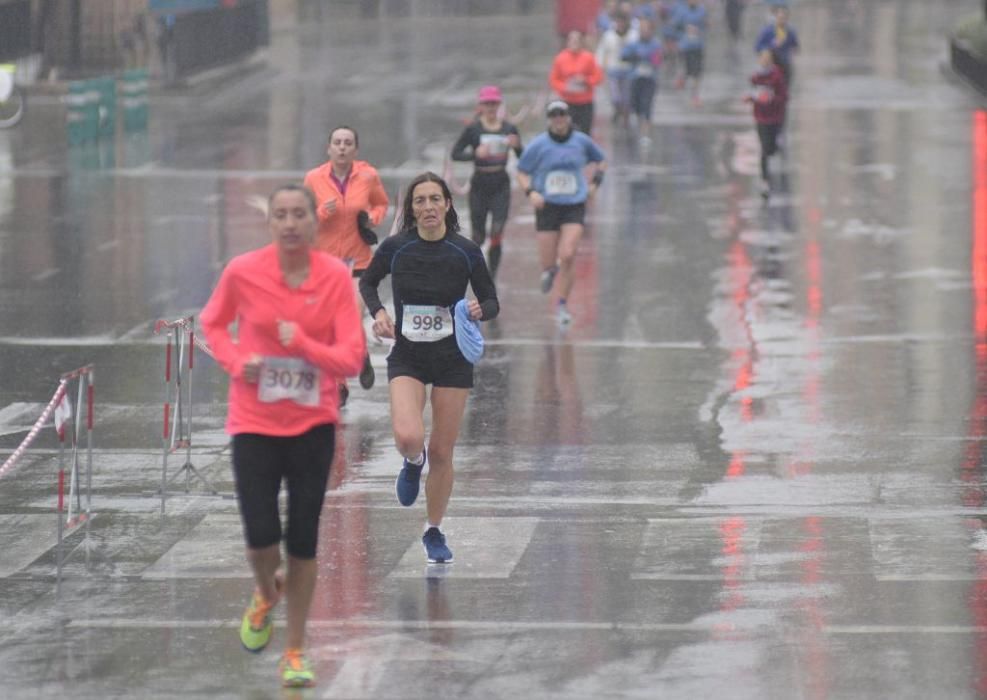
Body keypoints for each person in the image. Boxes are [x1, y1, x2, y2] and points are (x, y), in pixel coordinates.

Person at [200, 184, 365, 688]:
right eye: (281, 215)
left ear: (314, 223)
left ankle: (294, 650)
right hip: (253, 421)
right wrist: (237, 362)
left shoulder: (335, 277)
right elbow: (212, 324)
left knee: (303, 542)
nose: (290, 223)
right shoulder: (243, 272)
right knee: (259, 538)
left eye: (299, 215)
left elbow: (352, 359)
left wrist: (307, 345)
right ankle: (265, 593)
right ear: (269, 223)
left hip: (313, 423)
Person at [359, 172, 499, 564]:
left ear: (447, 205)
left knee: (442, 449)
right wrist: (380, 312)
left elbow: (491, 301)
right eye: (420, 201)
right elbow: (368, 284)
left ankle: (433, 529)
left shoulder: (466, 251)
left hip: (453, 357)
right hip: (409, 355)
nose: (428, 207)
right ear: (412, 209)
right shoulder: (396, 248)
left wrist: (477, 309)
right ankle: (411, 459)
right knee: (408, 435)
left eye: (435, 199)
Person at [303, 126, 389, 404]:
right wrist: (319, 213)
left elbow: (381, 204)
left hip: (358, 260)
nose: (342, 147)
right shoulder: (313, 178)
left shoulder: (368, 175)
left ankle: (360, 353)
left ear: (355, 150)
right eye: (337, 142)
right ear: (329, 148)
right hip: (325, 262)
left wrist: (373, 219)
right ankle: (339, 386)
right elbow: (301, 216)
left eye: (348, 143)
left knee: (350, 317)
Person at [516, 100, 606, 327]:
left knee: (567, 255)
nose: (558, 119)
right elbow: (522, 171)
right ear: (549, 119)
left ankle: (562, 305)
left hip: (574, 205)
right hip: (547, 206)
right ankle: (549, 270)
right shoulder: (538, 145)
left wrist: (595, 184)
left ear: (568, 117)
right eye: (553, 115)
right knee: (549, 263)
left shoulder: (581, 141)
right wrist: (530, 192)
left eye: (562, 114)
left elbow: (601, 161)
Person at [450, 85, 523, 280]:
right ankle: (476, 273)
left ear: (499, 105)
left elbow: (522, 157)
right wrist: (475, 154)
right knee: (478, 236)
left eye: (494, 103)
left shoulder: (508, 128)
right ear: (480, 105)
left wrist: (517, 146)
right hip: (480, 184)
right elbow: (455, 153)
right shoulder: (473, 129)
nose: (491, 107)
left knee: (497, 230)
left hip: (501, 183)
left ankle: (492, 277)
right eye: (487, 104)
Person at [744, 48, 788, 200]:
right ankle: (765, 180)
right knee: (763, 149)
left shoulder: (777, 76)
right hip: (760, 117)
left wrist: (771, 99)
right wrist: (751, 98)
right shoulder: (755, 76)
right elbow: (752, 92)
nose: (764, 61)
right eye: (762, 58)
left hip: (774, 117)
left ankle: (776, 147)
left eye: (767, 58)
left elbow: (784, 96)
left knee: (771, 148)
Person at [548, 30, 604, 135]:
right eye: (572, 40)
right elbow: (553, 80)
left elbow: (599, 78)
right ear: (567, 42)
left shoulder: (589, 58)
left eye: (577, 41)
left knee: (585, 132)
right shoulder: (560, 58)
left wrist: (585, 80)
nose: (574, 43)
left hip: (585, 102)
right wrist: (564, 87)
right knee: (568, 132)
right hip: (568, 102)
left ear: (581, 42)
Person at [621, 17, 663, 143]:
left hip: (649, 79)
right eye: (641, 29)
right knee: (635, 105)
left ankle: (645, 133)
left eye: (646, 29)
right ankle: (636, 126)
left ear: (651, 31)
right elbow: (623, 55)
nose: (644, 32)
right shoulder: (633, 43)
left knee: (647, 106)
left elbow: (658, 60)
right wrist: (634, 56)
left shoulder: (655, 44)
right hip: (635, 78)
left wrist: (649, 58)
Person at [595, 12, 638, 127]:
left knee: (626, 95)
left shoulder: (633, 35)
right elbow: (602, 51)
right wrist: (600, 66)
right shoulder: (609, 35)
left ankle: (626, 116)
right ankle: (617, 109)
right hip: (613, 69)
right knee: (615, 96)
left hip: (628, 70)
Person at [754, 3, 799, 89]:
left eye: (784, 18)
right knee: (770, 88)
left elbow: (795, 46)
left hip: (785, 64)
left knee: (785, 88)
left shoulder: (790, 31)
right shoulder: (767, 30)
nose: (782, 20)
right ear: (775, 17)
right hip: (771, 63)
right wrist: (771, 46)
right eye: (780, 17)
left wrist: (793, 52)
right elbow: (757, 47)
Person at [674, 0, 707, 106]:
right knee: (688, 71)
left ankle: (695, 96)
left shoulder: (702, 11)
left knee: (696, 73)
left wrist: (699, 29)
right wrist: (685, 29)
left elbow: (706, 25)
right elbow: (675, 26)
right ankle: (681, 78)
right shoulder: (681, 11)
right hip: (686, 46)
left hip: (698, 46)